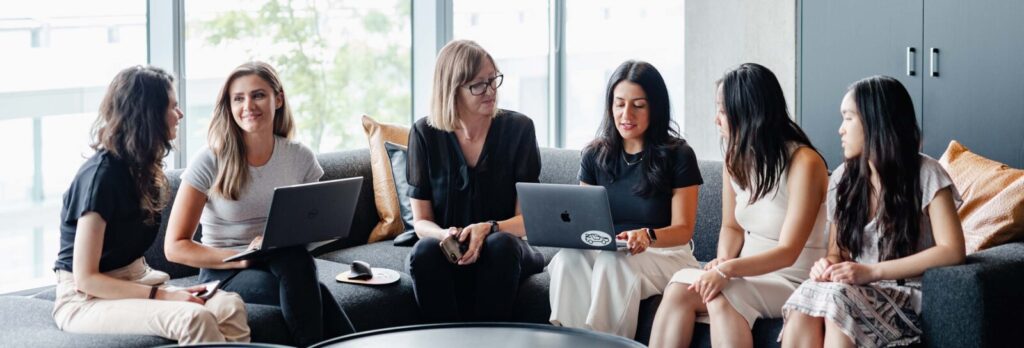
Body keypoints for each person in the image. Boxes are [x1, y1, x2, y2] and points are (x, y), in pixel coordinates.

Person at [52, 65, 250, 344]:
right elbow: (87, 279)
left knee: (228, 306)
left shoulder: (143, 170)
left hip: (137, 279)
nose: (179, 114)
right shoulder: (101, 177)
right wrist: (164, 295)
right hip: (86, 299)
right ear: (149, 113)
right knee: (194, 318)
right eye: (173, 106)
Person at [165, 61, 354, 346]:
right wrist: (242, 256)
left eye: (258, 95)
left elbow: (312, 227)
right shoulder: (210, 160)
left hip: (285, 261)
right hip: (225, 270)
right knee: (312, 291)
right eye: (238, 98)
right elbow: (175, 247)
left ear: (278, 98)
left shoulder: (299, 157)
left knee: (295, 259)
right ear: (229, 107)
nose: (248, 105)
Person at [649, 63, 830, 348]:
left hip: (793, 277)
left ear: (748, 113)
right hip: (745, 273)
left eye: (722, 110)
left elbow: (788, 251)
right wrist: (722, 260)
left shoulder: (804, 162)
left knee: (723, 294)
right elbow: (731, 227)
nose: (715, 119)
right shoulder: (735, 158)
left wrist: (728, 271)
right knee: (679, 288)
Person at [780, 76, 966, 348]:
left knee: (838, 303)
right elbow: (837, 252)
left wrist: (872, 272)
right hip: (856, 290)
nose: (840, 130)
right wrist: (827, 265)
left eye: (848, 118)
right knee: (806, 297)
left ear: (875, 121)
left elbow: (953, 250)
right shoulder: (842, 179)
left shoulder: (927, 174)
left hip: (907, 297)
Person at [546, 60, 703, 338]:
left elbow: (683, 230)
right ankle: (571, 341)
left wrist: (647, 236)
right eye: (619, 104)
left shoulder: (678, 155)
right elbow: (583, 222)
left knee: (613, 262)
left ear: (655, 108)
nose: (626, 114)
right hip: (612, 251)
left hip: (665, 254)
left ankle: (608, 344)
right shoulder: (594, 155)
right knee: (569, 257)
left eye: (638, 105)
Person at [404, 40, 546, 322]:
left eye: (493, 80)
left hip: (506, 246)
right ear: (451, 89)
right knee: (425, 252)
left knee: (500, 246)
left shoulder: (519, 129)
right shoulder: (424, 133)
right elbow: (421, 222)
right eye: (478, 85)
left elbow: (528, 220)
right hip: (453, 248)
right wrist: (443, 235)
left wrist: (489, 228)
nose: (491, 90)